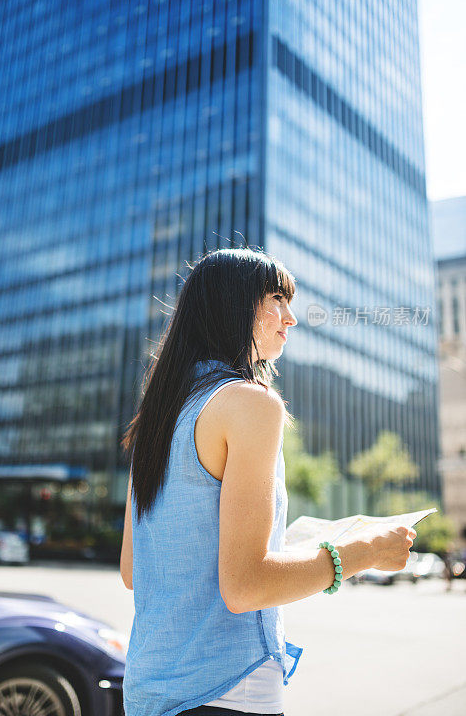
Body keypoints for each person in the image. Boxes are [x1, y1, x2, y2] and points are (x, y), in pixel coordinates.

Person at [120, 247, 416, 716]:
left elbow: (135, 571)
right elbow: (245, 586)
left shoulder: (157, 418)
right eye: (277, 298)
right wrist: (367, 553)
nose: (290, 318)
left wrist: (288, 544)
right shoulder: (251, 403)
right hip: (225, 696)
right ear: (232, 306)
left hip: (147, 691)